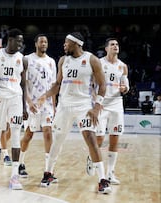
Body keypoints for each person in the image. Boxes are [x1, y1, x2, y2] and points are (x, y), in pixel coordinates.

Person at [38, 32, 112, 194]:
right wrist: (45, 95)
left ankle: (103, 179)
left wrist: (97, 107)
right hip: (64, 105)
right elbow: (57, 84)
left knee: (91, 139)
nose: (64, 45)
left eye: (67, 42)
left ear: (77, 44)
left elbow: (102, 85)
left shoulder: (92, 60)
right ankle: (48, 172)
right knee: (57, 140)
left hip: (83, 105)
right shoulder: (63, 60)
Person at [0, 28, 28, 190]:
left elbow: (24, 84)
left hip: (16, 98)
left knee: (17, 132)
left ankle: (14, 176)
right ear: (10, 39)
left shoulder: (23, 59)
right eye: (18, 40)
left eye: (21, 41)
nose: (20, 44)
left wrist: (24, 107)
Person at [86, 38, 130, 185]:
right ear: (106, 48)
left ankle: (110, 173)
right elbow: (90, 85)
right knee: (99, 138)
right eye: (112, 44)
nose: (115, 46)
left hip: (116, 104)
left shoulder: (123, 66)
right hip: (101, 105)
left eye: (117, 44)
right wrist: (95, 101)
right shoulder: (99, 63)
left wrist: (125, 89)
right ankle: (92, 158)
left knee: (114, 139)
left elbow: (126, 84)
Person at [19, 34, 57, 180]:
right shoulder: (27, 59)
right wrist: (28, 101)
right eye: (41, 41)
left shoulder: (51, 62)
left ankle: (48, 170)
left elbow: (53, 86)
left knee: (48, 132)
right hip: (32, 103)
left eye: (46, 41)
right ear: (36, 44)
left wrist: (54, 106)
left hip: (46, 103)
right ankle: (20, 163)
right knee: (29, 134)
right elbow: (23, 83)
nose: (44, 43)